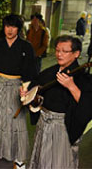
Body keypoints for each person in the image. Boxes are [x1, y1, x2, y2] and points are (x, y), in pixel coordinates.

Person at [0, 14, 38, 168]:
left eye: (14, 26)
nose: (10, 30)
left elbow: (31, 72)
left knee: (17, 122)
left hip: (18, 88)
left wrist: (26, 90)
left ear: (18, 28)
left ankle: (19, 157)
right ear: (3, 28)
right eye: (7, 26)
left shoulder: (26, 47)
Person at [21, 35, 92, 169]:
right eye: (57, 50)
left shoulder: (83, 78)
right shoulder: (50, 72)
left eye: (64, 51)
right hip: (44, 122)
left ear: (76, 54)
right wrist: (27, 93)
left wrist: (71, 86)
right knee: (40, 159)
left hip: (63, 126)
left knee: (59, 162)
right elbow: (36, 87)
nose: (59, 54)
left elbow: (87, 106)